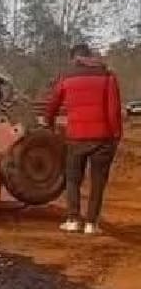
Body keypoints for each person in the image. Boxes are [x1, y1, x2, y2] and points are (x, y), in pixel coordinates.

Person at [46, 43, 123, 235]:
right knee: (98, 182)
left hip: (76, 137)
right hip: (103, 138)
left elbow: (52, 103)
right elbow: (114, 110)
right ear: (90, 56)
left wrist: (49, 122)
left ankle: (73, 220)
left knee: (72, 179)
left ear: (74, 58)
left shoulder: (67, 77)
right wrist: (116, 135)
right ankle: (91, 224)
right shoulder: (108, 76)